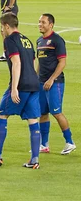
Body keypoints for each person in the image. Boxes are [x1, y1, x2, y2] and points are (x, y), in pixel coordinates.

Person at [0, 13, 41, 169]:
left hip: (21, 85)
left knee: (1, 115)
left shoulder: (10, 40)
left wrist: (14, 88)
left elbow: (16, 62)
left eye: (1, 27)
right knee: (33, 120)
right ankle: (34, 160)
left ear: (6, 26)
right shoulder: (26, 40)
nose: (1, 30)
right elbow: (32, 61)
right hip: (34, 83)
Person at [36, 13, 76, 155]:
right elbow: (40, 63)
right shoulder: (39, 41)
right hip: (41, 82)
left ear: (51, 25)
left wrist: (52, 79)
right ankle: (44, 145)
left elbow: (62, 62)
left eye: (43, 22)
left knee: (56, 112)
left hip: (55, 83)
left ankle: (70, 142)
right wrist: (36, 78)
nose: (40, 24)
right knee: (42, 113)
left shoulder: (57, 40)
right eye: (39, 22)